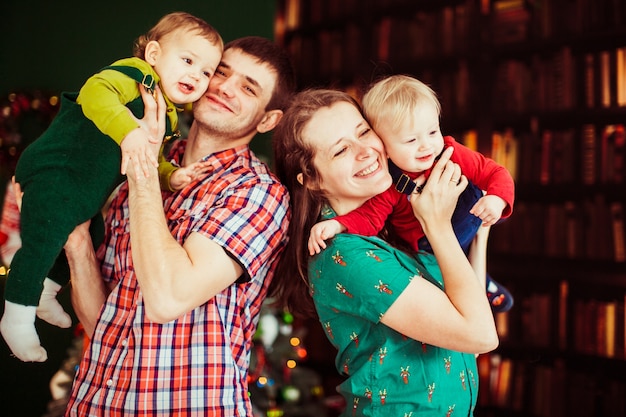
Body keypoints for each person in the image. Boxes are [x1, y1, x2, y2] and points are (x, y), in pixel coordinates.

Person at [58, 36, 296, 416]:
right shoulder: (151, 160)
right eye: (221, 72)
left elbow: (169, 298)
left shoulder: (257, 193)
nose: (224, 87)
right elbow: (101, 320)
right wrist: (76, 242)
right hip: (96, 403)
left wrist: (143, 166)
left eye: (248, 88)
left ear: (268, 120)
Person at [1, 12, 223, 362]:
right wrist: (130, 131)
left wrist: (170, 176)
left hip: (85, 189)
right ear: (153, 54)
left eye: (206, 71)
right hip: (58, 167)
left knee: (95, 235)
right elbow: (94, 92)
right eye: (188, 60)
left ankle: (46, 290)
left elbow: (153, 155)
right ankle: (17, 314)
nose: (196, 75)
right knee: (45, 234)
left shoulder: (167, 116)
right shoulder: (135, 75)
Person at [270, 89, 499, 416]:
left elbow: (469, 332)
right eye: (341, 150)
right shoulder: (344, 253)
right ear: (311, 179)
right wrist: (437, 224)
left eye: (364, 132)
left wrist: (479, 229)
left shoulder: (395, 220)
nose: (365, 152)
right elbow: (480, 336)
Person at [308, 75, 515, 312]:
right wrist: (338, 225)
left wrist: (496, 200)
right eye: (411, 140)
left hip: (469, 217)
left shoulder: (449, 151)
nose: (426, 145)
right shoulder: (389, 184)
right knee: (448, 278)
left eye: (432, 132)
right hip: (431, 245)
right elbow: (370, 218)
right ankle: (483, 285)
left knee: (479, 194)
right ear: (384, 147)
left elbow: (496, 172)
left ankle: (482, 274)